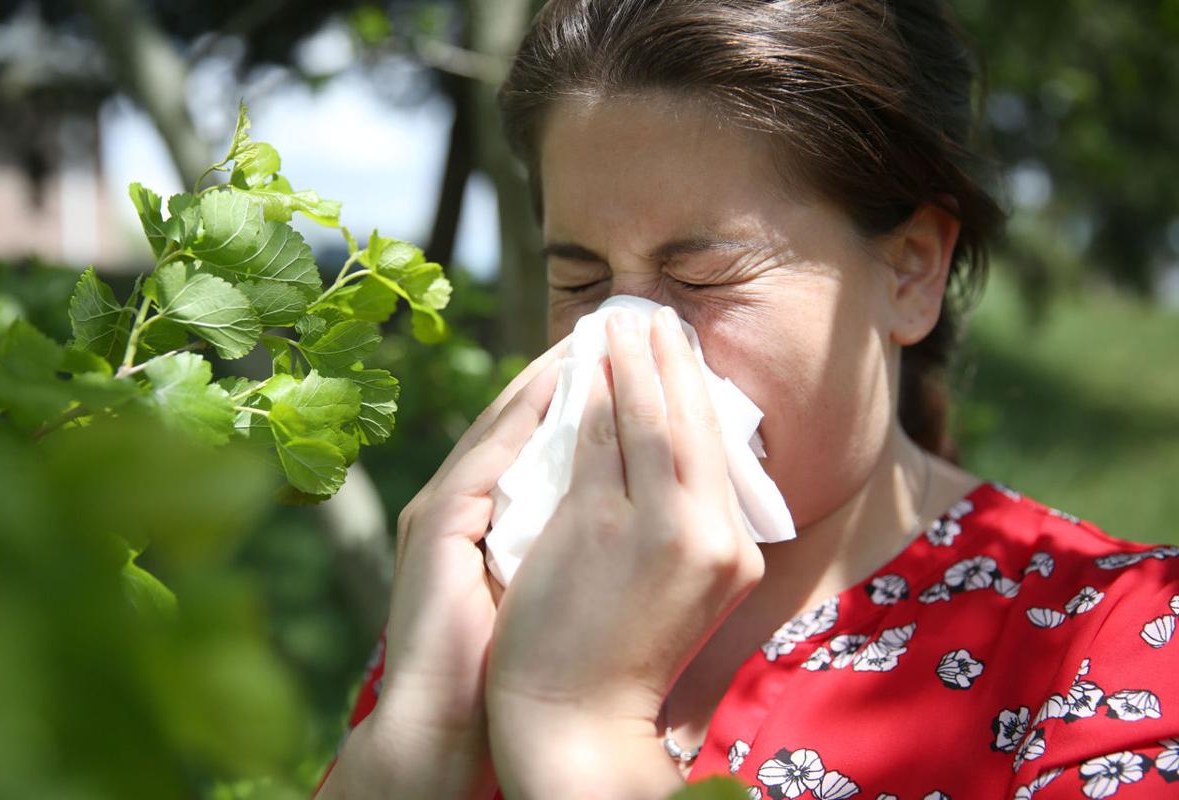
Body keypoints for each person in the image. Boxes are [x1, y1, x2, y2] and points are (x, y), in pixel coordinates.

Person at [316, 1, 1179, 798]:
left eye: (702, 276)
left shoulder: (1113, 648)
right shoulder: (493, 594)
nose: (623, 341)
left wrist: (579, 724)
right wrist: (424, 725)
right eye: (580, 281)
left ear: (911, 271)